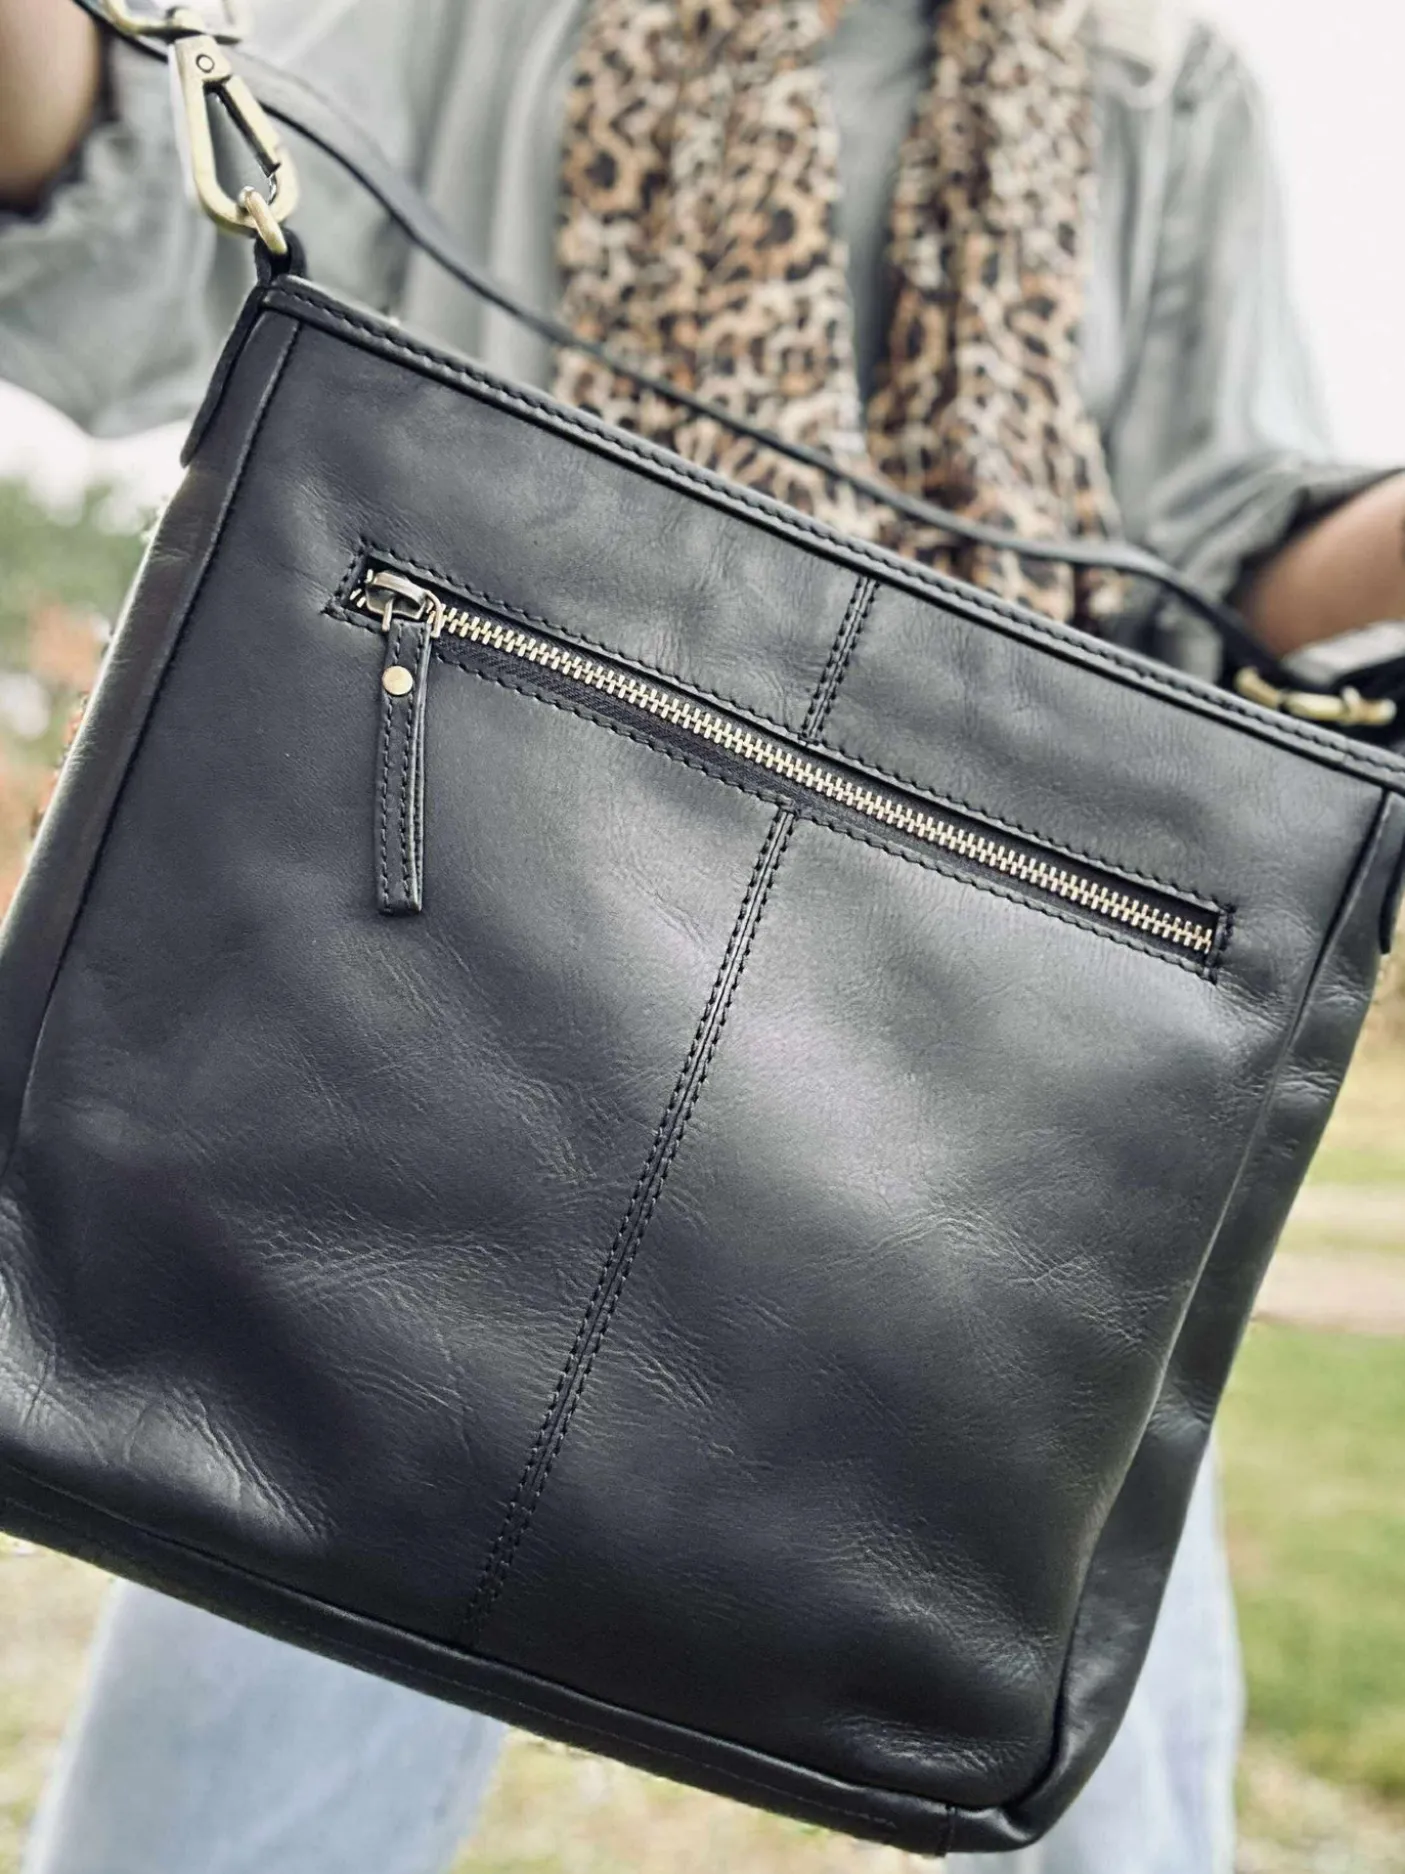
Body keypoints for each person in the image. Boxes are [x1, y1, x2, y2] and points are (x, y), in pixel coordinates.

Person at [0, 3, 1400, 1871]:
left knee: (1095, 1789)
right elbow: (111, 249)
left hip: (988, 1114)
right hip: (404, 1070)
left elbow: (1241, 566)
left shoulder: (1159, 87)